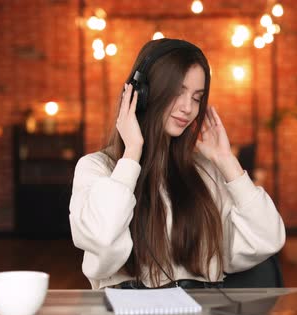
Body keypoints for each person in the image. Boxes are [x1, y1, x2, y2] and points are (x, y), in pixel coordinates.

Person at [69, 38, 285, 290]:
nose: (188, 108)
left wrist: (227, 163)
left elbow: (269, 239)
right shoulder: (97, 168)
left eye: (196, 97)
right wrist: (132, 153)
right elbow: (102, 240)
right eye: (178, 92)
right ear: (142, 94)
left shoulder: (205, 171)